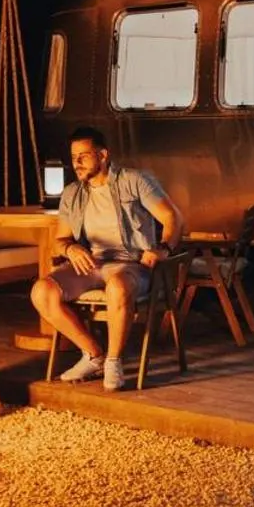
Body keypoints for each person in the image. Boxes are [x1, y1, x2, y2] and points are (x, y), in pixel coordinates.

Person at [32, 125, 183, 391]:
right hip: (93, 263)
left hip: (133, 265)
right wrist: (70, 250)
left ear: (103, 155)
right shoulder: (72, 193)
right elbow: (60, 240)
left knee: (118, 286)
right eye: (74, 157)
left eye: (84, 156)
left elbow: (172, 218)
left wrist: (162, 249)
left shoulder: (134, 181)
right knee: (42, 291)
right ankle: (94, 355)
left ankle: (114, 361)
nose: (76, 163)